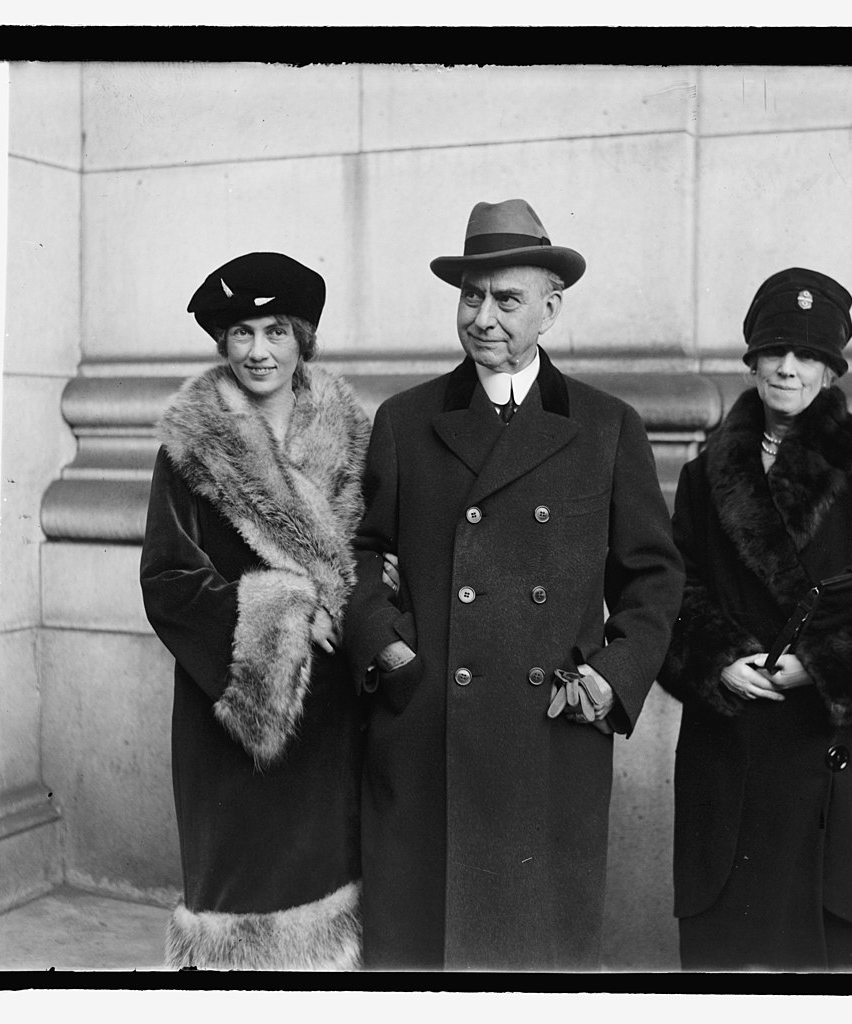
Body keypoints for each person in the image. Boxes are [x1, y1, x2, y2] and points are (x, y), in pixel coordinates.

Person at [342, 199, 685, 971]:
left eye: (507, 299)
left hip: (545, 734)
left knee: (535, 964)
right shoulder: (404, 419)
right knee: (419, 964)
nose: (484, 318)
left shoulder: (605, 426)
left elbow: (655, 578)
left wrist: (611, 676)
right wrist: (387, 651)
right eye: (472, 296)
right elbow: (362, 552)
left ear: (550, 310)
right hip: (428, 730)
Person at [658, 267, 852, 972]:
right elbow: (669, 592)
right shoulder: (704, 478)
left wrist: (814, 667)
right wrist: (715, 661)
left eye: (808, 356)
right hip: (728, 761)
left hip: (826, 765)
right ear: (752, 359)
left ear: (829, 370)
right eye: (774, 352)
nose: (788, 368)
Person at [139, 252, 370, 969]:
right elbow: (169, 582)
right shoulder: (190, 446)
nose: (258, 350)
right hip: (235, 710)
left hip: (335, 719)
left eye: (276, 330)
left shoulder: (358, 439)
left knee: (330, 904)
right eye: (242, 332)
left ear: (303, 339)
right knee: (236, 910)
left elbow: (384, 553)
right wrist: (291, 612)